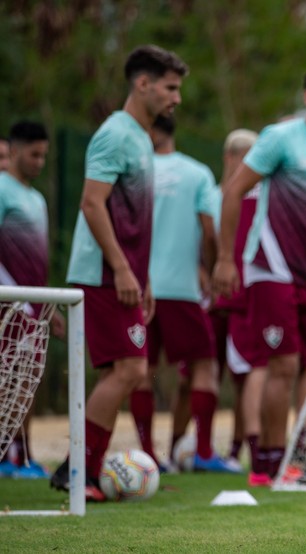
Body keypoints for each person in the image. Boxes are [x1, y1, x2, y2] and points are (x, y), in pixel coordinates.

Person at [50, 45, 187, 501]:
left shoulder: (141, 139)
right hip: (102, 275)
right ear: (142, 84)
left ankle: (78, 469)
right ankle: (79, 471)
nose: (177, 99)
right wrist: (123, 269)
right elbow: (92, 203)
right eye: (170, 88)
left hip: (122, 274)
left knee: (125, 371)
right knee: (130, 371)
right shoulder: (114, 135)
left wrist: (141, 277)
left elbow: (130, 218)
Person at [212, 62, 306, 487]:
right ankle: (268, 464)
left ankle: (292, 453)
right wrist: (224, 259)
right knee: (284, 365)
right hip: (270, 268)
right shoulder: (280, 139)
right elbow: (234, 189)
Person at [127, 114, 238, 473]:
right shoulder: (197, 173)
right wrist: (208, 266)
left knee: (142, 367)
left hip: (139, 286)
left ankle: (148, 456)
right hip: (182, 290)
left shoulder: (132, 171)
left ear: (148, 132)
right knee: (205, 366)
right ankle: (204, 451)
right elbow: (209, 231)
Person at [0, 121, 65, 479]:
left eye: (44, 155)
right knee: (5, 377)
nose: (40, 162)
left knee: (27, 380)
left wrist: (46, 304)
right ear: (15, 150)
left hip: (33, 306)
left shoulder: (37, 198)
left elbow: (36, 256)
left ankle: (22, 454)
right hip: (8, 304)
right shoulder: (2, 189)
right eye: (33, 154)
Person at [207, 128, 259, 472]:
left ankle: (237, 449)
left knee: (247, 372)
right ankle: (199, 447)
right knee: (208, 373)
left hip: (246, 298)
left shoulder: (260, 196)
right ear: (230, 157)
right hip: (213, 297)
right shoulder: (215, 196)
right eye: (246, 157)